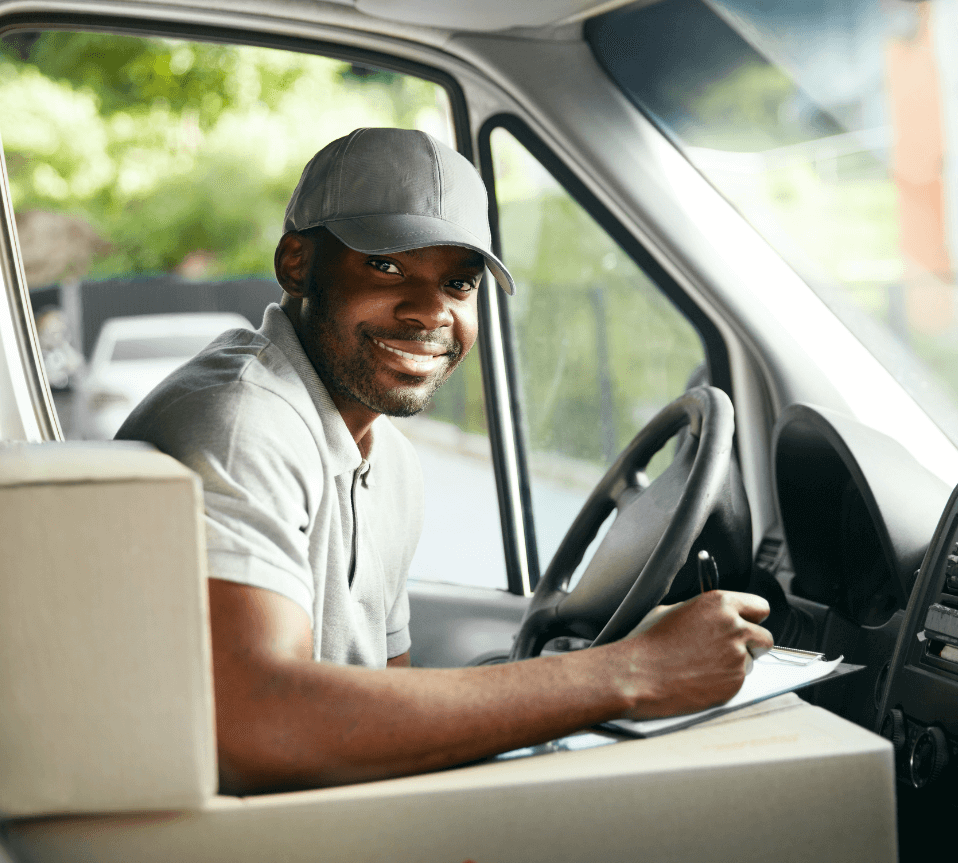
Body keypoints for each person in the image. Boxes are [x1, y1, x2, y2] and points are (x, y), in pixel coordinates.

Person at [117, 127, 773, 794]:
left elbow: (382, 696)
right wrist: (632, 672)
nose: (430, 311)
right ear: (295, 263)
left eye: (459, 282)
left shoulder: (391, 461)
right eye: (387, 266)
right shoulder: (240, 422)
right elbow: (255, 726)